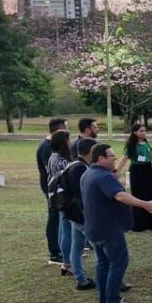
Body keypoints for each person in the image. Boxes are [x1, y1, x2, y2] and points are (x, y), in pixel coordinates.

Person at [81, 143, 152, 303]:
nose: (115, 158)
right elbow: (119, 195)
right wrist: (146, 204)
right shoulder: (104, 176)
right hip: (109, 228)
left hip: (93, 227)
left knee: (103, 263)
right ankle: (113, 300)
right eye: (111, 155)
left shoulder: (88, 173)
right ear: (101, 158)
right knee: (118, 262)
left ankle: (104, 299)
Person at [60, 136, 96, 291]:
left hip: (73, 213)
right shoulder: (80, 168)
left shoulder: (73, 165)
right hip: (81, 214)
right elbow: (82, 194)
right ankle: (110, 279)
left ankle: (81, 279)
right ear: (90, 152)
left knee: (77, 246)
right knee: (101, 247)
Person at [118, 124, 152, 232]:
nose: (144, 133)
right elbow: (124, 159)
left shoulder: (146, 144)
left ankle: (151, 223)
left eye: (145, 131)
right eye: (141, 131)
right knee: (139, 196)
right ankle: (139, 224)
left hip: (147, 170)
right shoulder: (132, 146)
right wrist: (116, 172)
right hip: (137, 171)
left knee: (150, 195)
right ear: (135, 132)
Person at [38, 117, 68, 266]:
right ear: (60, 129)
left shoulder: (53, 145)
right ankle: (55, 253)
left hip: (56, 187)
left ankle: (62, 250)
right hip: (52, 188)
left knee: (60, 219)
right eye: (65, 128)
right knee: (54, 218)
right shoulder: (46, 147)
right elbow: (50, 170)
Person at [47, 131, 74, 277]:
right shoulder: (63, 161)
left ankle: (66, 262)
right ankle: (68, 262)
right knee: (68, 230)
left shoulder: (53, 157)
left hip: (57, 197)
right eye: (70, 139)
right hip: (65, 197)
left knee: (63, 229)